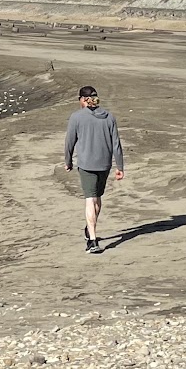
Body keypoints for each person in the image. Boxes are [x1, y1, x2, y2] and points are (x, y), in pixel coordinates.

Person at [63, 84, 124, 253]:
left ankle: (92, 241)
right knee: (97, 198)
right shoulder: (109, 117)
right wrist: (120, 166)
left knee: (90, 199)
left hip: (87, 164)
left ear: (82, 100)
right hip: (104, 163)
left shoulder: (76, 117)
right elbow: (116, 145)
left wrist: (68, 161)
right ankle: (90, 230)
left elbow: (69, 142)